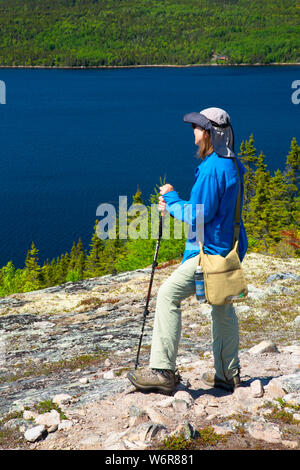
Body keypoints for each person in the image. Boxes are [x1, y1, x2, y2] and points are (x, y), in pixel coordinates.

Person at [127, 107, 248, 394]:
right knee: (222, 307)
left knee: (168, 295)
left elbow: (198, 214)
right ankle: (227, 374)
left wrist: (170, 200)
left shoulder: (213, 168)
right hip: (228, 251)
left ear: (208, 133)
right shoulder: (232, 164)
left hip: (208, 254)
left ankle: (162, 371)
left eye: (197, 128)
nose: (193, 134)